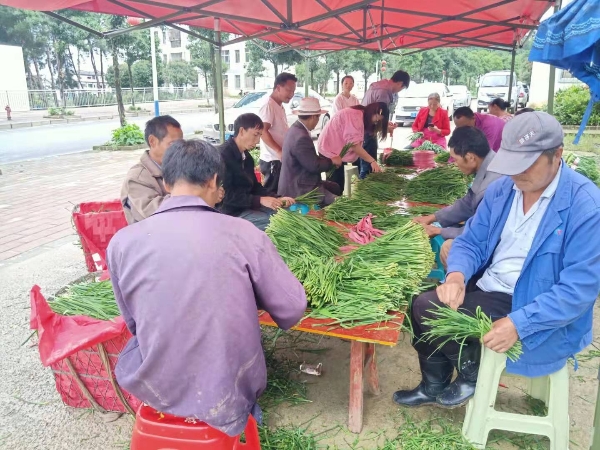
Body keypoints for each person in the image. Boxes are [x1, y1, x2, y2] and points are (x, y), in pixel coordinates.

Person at [393, 111, 600, 410]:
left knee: (429, 309)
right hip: (491, 282)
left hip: (529, 300)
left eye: (526, 165)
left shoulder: (586, 206)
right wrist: (457, 276)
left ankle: (472, 372)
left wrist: (519, 323)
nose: (517, 174)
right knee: (420, 302)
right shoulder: (504, 189)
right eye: (512, 164)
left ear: (557, 155)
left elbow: (578, 290)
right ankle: (433, 384)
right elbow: (471, 241)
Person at [107, 139, 307, 437]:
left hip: (156, 383)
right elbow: (292, 309)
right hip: (225, 391)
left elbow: (133, 321)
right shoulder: (243, 234)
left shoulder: (121, 242)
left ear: (167, 182)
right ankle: (243, 418)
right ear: (214, 180)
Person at [413, 127, 502, 267]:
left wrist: (438, 231)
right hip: (487, 231)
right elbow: (467, 204)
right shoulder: (490, 162)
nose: (455, 164)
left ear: (471, 157)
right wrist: (432, 218)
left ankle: (463, 286)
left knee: (450, 247)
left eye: (455, 159)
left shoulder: (492, 184)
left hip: (496, 242)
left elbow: (481, 232)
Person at [218, 113, 295, 231]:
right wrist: (259, 200)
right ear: (242, 131)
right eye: (255, 135)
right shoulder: (223, 156)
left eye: (260, 135)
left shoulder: (247, 157)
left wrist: (277, 198)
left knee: (287, 212)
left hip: (248, 206)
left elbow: (255, 187)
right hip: (231, 213)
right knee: (275, 223)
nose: (258, 140)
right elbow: (226, 196)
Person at [278, 98, 343, 206]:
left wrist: (329, 161)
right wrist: (332, 161)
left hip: (301, 180)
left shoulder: (296, 129)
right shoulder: (301, 137)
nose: (318, 121)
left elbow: (310, 159)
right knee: (338, 204)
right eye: (318, 117)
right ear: (313, 117)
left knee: (335, 187)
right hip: (299, 188)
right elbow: (314, 166)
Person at [121, 115, 183, 224]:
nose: (179, 149)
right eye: (173, 144)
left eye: (181, 144)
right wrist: (195, 193)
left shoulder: (179, 166)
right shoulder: (137, 178)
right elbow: (156, 213)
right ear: (152, 141)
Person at [318, 102, 388, 189]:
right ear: (375, 111)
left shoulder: (361, 114)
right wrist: (372, 161)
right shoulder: (355, 116)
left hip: (337, 150)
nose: (375, 123)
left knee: (338, 183)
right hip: (329, 150)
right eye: (377, 120)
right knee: (336, 185)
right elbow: (354, 145)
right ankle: (332, 201)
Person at [360, 70, 410, 177]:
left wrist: (386, 124)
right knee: (369, 163)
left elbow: (379, 115)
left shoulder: (380, 84)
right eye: (402, 88)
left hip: (366, 126)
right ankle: (366, 183)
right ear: (400, 84)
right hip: (368, 128)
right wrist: (386, 126)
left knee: (367, 160)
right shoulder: (384, 91)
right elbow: (379, 114)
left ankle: (365, 181)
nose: (399, 91)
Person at [258, 72, 298, 195]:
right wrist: (278, 150)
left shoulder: (279, 106)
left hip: (279, 159)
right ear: (278, 88)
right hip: (272, 161)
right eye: (289, 90)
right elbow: (262, 131)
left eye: (293, 91)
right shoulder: (268, 105)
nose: (291, 95)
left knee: (282, 195)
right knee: (273, 195)